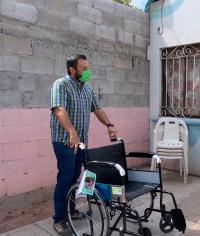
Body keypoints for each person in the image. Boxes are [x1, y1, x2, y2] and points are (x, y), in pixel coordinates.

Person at [50, 54, 117, 235]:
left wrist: (109, 124)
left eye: (88, 68)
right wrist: (72, 132)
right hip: (64, 141)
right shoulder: (61, 85)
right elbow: (59, 109)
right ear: (72, 69)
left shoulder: (87, 88)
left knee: (75, 176)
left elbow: (97, 109)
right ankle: (59, 219)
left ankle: (71, 211)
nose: (88, 72)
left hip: (80, 143)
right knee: (65, 179)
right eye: (84, 69)